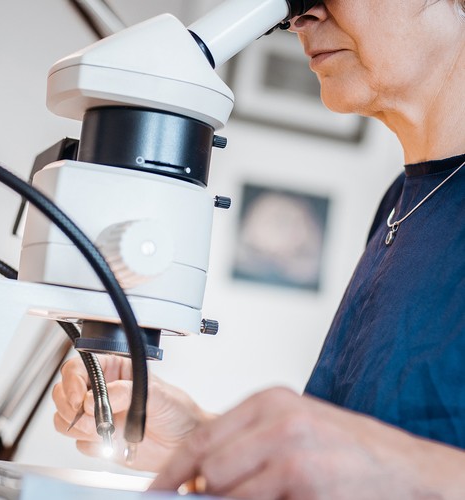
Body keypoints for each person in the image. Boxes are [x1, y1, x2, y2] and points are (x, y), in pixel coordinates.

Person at [53, 0, 465, 497]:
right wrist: (202, 439)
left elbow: (382, 464)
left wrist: (402, 470)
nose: (299, 17)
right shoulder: (400, 203)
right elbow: (352, 457)